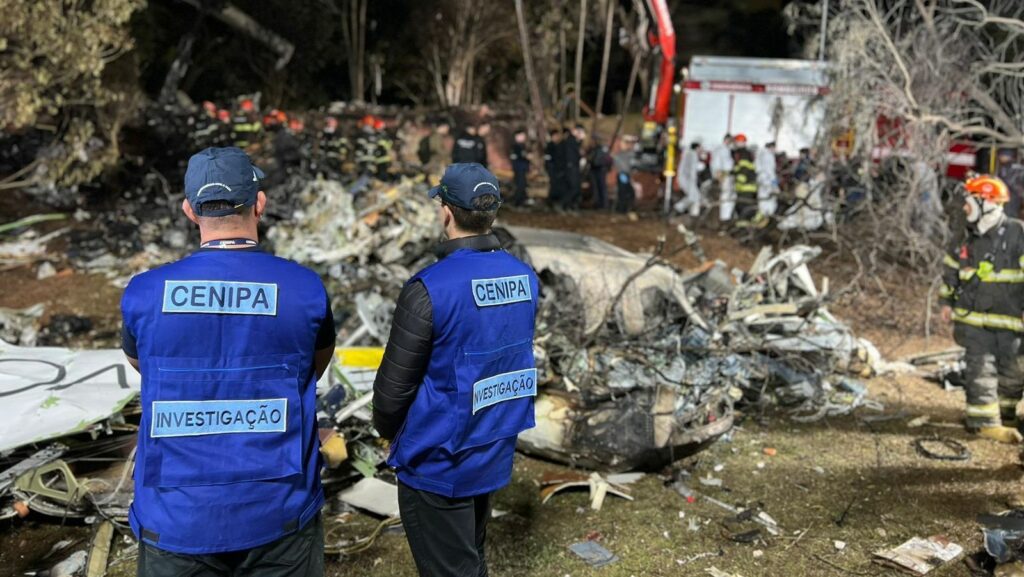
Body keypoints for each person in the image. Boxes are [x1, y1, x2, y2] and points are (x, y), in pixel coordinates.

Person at [121, 147, 344, 576]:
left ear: (189, 210)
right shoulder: (304, 289)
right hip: (278, 515)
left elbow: (142, 366)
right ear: (259, 203)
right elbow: (313, 366)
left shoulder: (144, 293)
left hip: (176, 519)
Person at [373, 162, 539, 577]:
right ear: (492, 213)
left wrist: (389, 433)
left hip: (437, 459)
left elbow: (393, 390)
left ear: (445, 211)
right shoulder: (525, 278)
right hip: (491, 445)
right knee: (469, 555)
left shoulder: (429, 287)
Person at [940, 174, 1024, 443]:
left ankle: (1004, 414)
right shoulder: (964, 236)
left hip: (1010, 319)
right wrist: (946, 302)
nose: (965, 208)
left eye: (970, 202)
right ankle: (984, 423)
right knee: (981, 370)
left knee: (1013, 371)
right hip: (974, 320)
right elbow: (950, 271)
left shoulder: (1017, 233)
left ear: (986, 202)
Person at [730, 134, 759, 226]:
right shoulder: (741, 153)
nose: (735, 144)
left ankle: (744, 226)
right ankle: (744, 225)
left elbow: (743, 169)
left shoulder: (743, 154)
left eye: (736, 142)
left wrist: (739, 182)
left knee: (744, 206)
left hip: (746, 186)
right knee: (743, 205)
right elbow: (738, 169)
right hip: (747, 185)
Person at [711, 134, 735, 223]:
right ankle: (724, 218)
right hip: (724, 176)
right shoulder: (721, 149)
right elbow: (717, 164)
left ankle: (726, 216)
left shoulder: (726, 150)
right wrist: (719, 175)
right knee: (725, 197)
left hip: (727, 176)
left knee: (729, 196)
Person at [675, 142, 702, 217]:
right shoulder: (693, 155)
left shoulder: (687, 153)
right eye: (700, 148)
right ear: (697, 148)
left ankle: (685, 210)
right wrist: (694, 181)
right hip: (687, 179)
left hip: (684, 178)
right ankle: (680, 208)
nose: (701, 150)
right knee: (695, 197)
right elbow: (693, 169)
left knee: (694, 196)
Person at [996, 148, 1024, 218]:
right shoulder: (1005, 167)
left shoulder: (1014, 168)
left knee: (1009, 216)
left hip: (1012, 197)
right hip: (1007, 197)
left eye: (1002, 156)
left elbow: (1014, 183)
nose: (1000, 158)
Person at [563, 125, 585, 210]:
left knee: (576, 187)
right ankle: (565, 203)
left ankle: (570, 205)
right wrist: (580, 139)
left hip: (574, 166)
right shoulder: (570, 140)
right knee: (574, 187)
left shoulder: (574, 141)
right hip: (571, 166)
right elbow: (578, 151)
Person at [544, 129, 568, 209]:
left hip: (557, 169)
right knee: (553, 185)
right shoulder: (550, 146)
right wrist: (550, 168)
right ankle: (551, 201)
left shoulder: (559, 146)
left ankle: (555, 201)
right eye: (556, 136)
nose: (557, 137)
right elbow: (548, 159)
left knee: (558, 185)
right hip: (552, 169)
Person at [587, 135, 612, 210]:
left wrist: (607, 168)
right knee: (596, 188)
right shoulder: (592, 149)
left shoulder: (602, 149)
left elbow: (608, 159)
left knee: (602, 187)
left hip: (601, 169)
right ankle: (597, 204)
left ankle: (604, 204)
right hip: (594, 169)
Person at [755, 141, 779, 218]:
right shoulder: (768, 155)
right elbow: (770, 171)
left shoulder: (760, 154)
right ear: (771, 147)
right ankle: (768, 215)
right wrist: (775, 184)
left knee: (762, 198)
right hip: (768, 181)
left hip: (761, 179)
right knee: (770, 199)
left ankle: (762, 214)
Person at [510, 129, 530, 207]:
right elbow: (517, 157)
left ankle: (522, 201)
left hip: (523, 169)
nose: (523, 137)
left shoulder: (523, 146)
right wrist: (525, 156)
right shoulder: (515, 146)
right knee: (520, 185)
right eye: (521, 135)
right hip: (518, 169)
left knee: (523, 185)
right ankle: (517, 202)